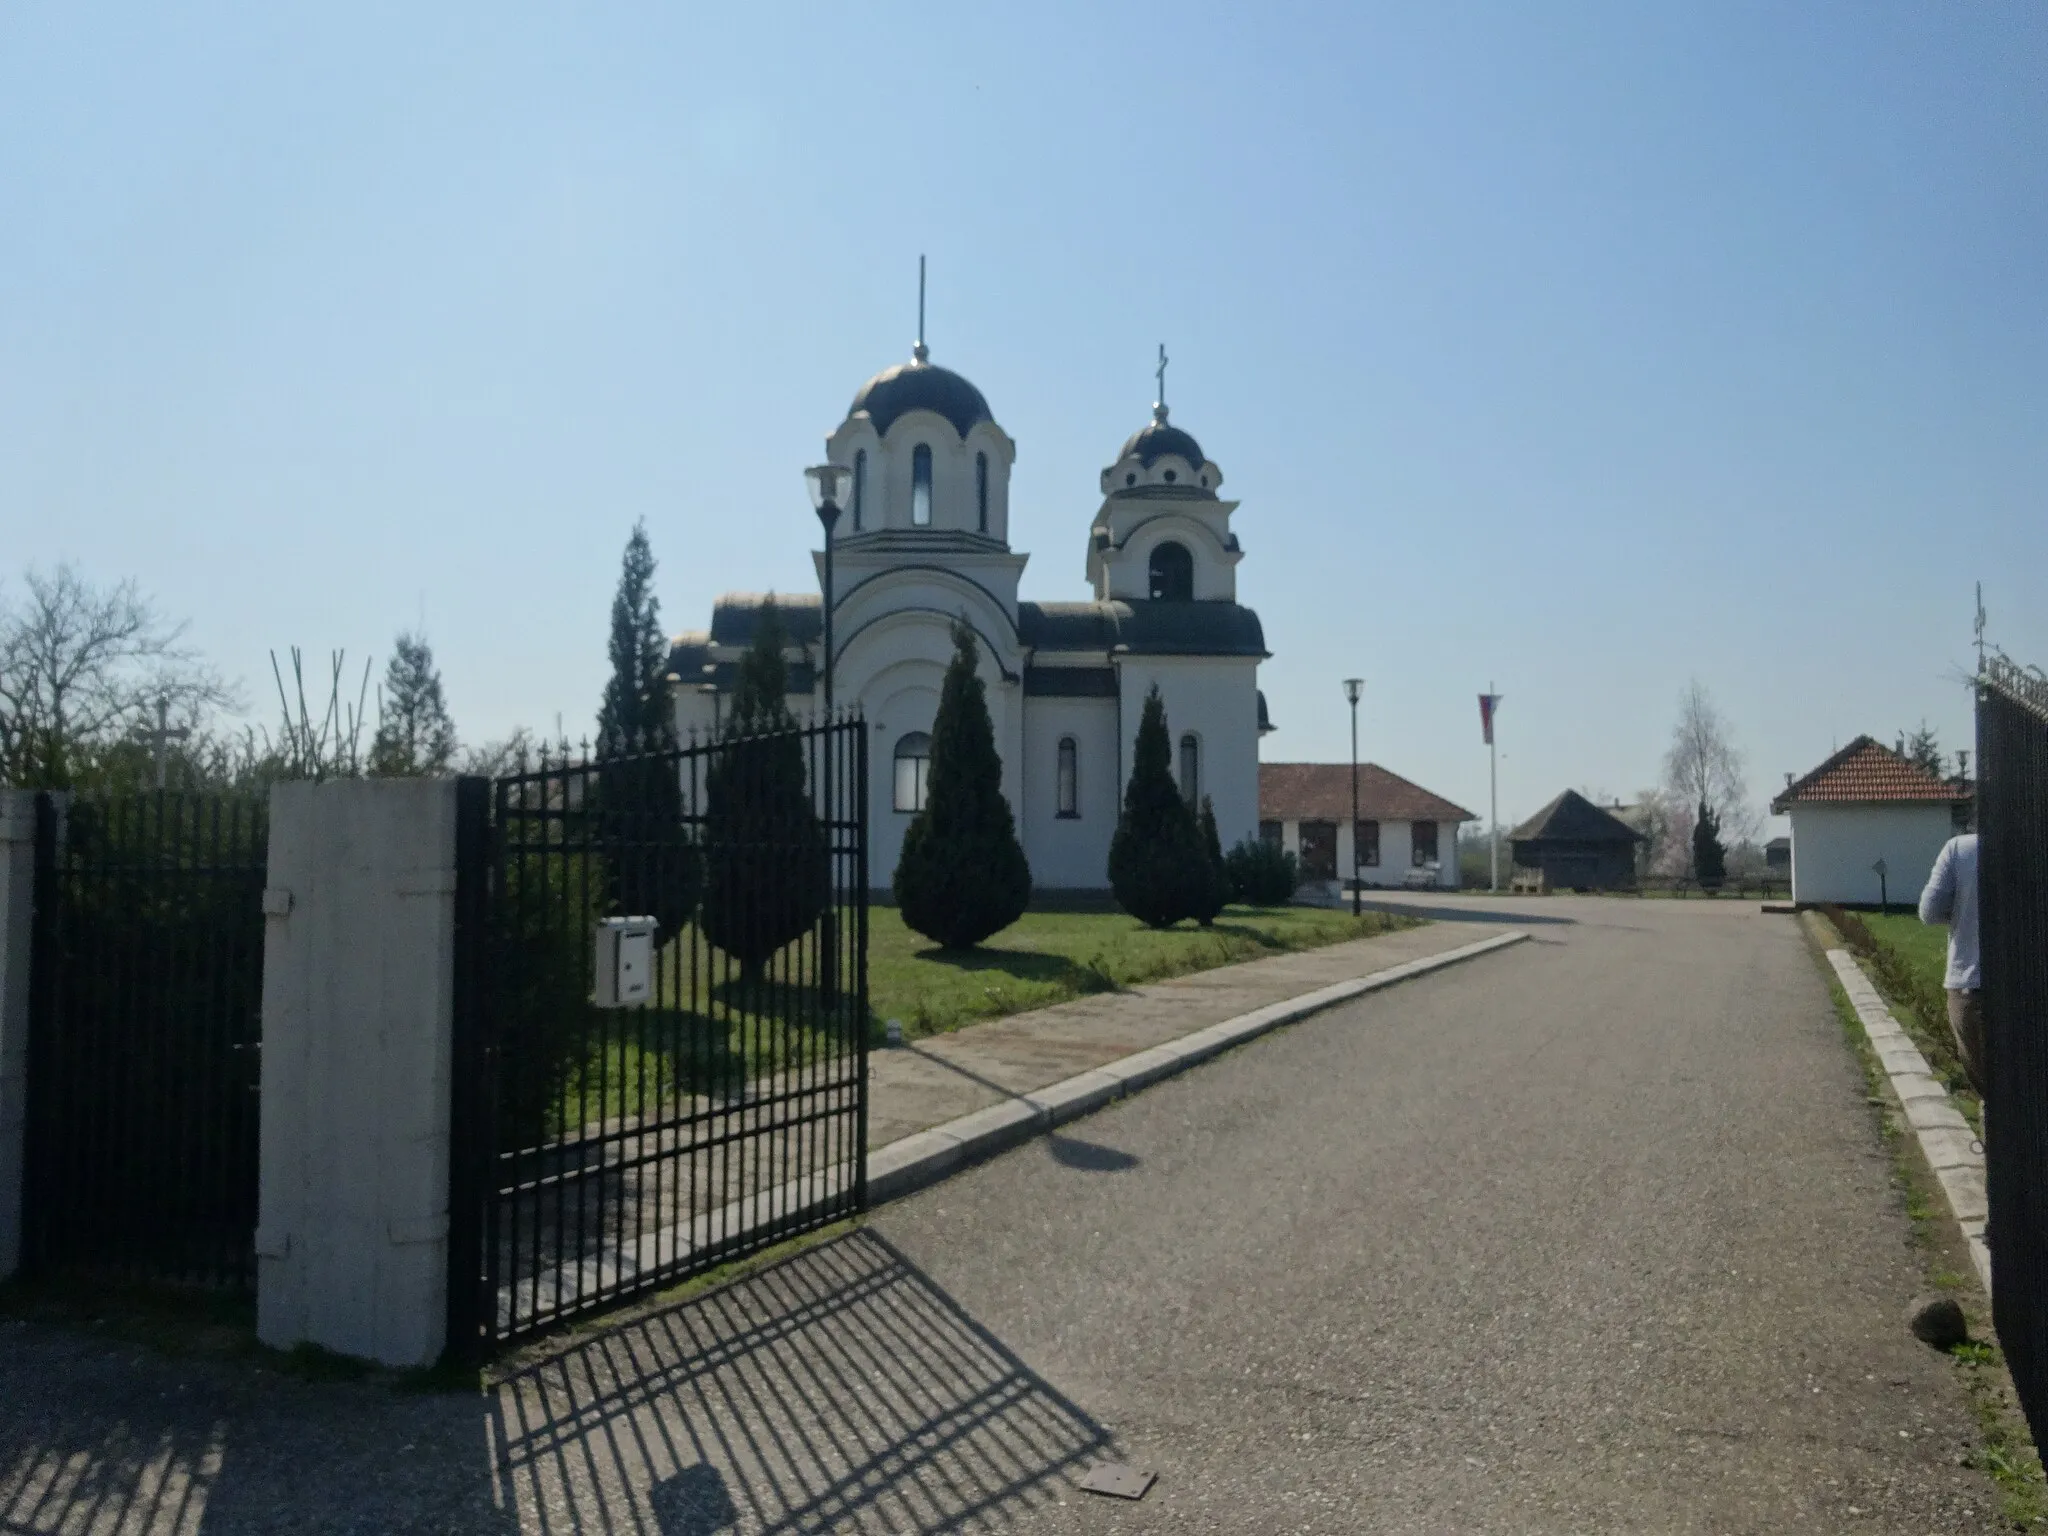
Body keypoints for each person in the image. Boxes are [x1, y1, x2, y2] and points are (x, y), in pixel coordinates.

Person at [1918, 827, 1983, 1099]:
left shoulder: (1960, 849)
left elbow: (1929, 912)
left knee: (1989, 1090)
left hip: (1971, 983)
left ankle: (1993, 1138)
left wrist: (1961, 913)